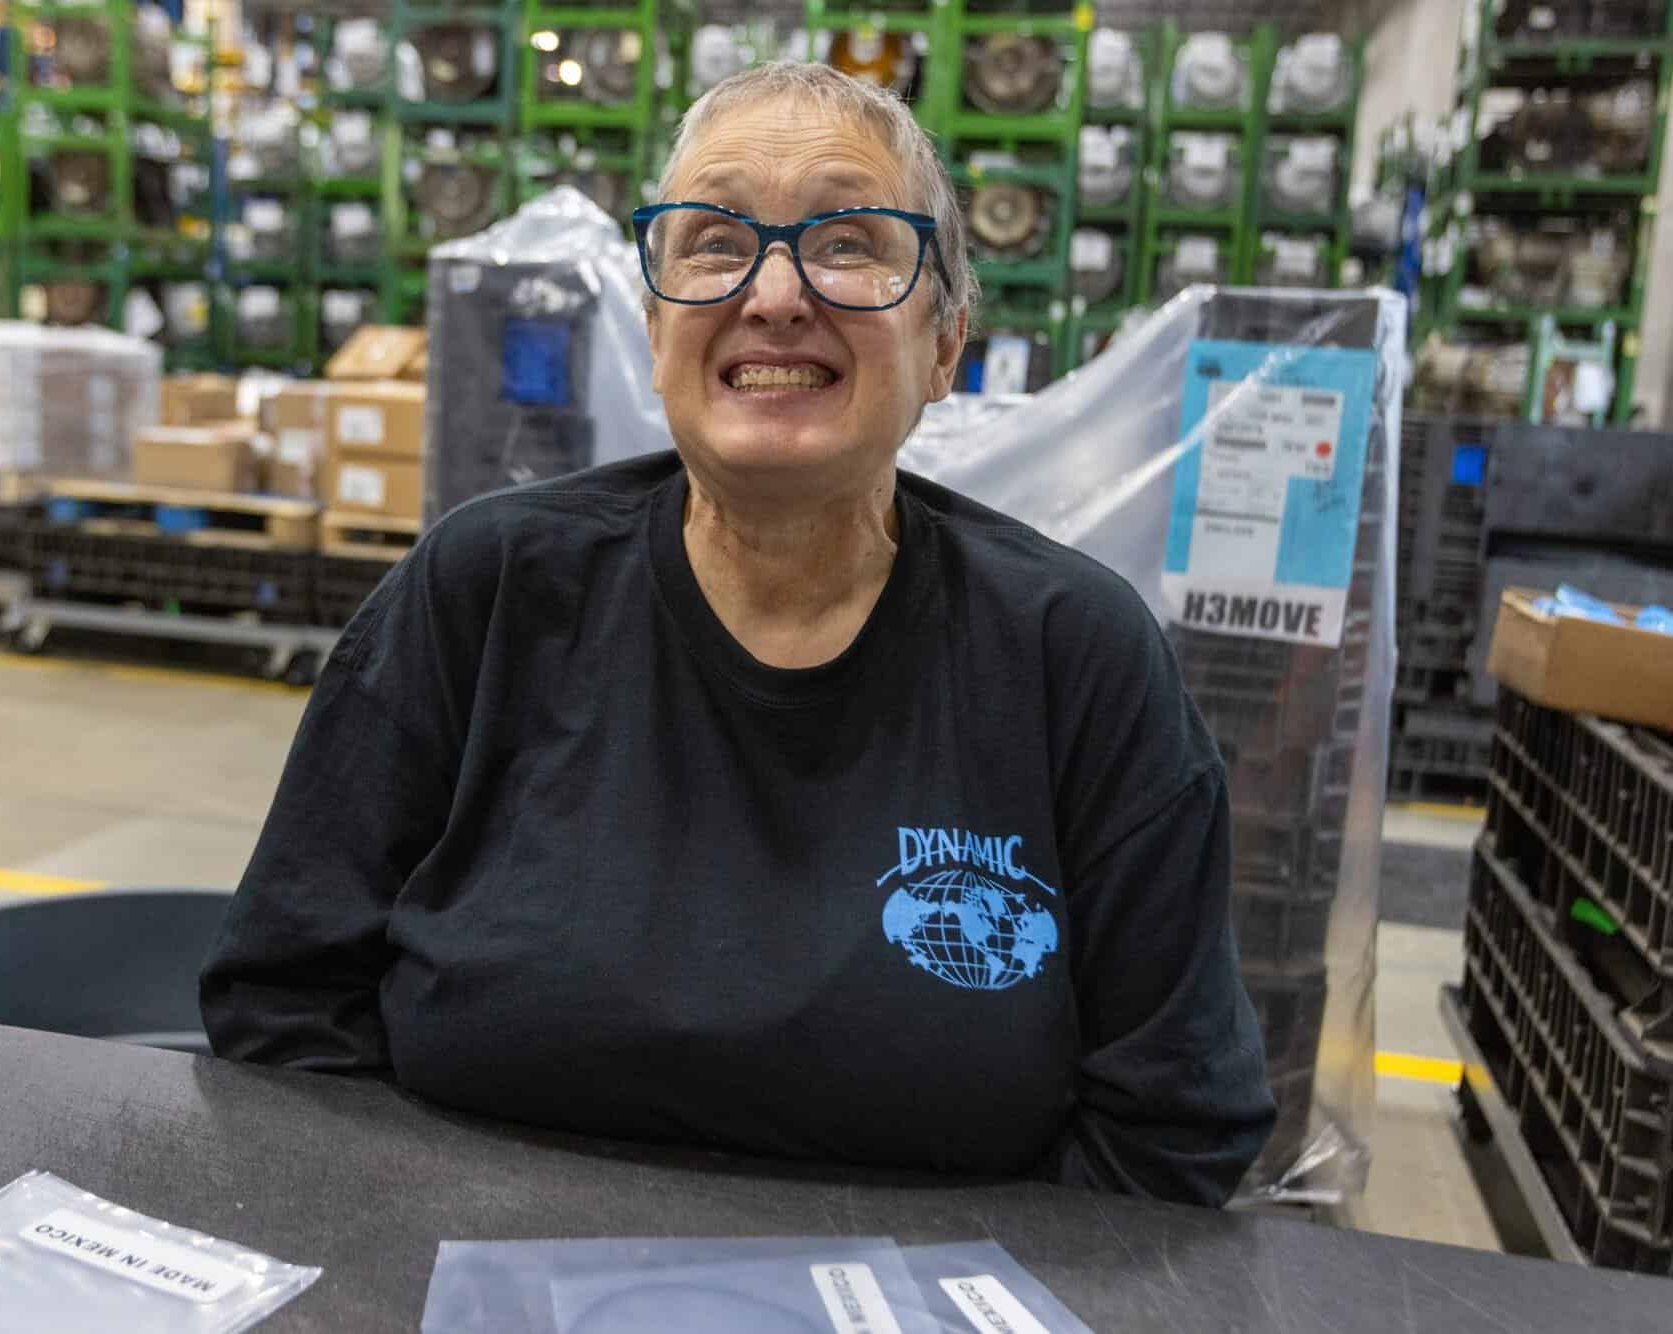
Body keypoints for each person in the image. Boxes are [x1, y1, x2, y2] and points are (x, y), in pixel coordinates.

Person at [200, 62, 1276, 1206]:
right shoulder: (487, 590)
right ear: (657, 317)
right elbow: (284, 1009)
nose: (773, 294)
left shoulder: (1075, 656)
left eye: (851, 242)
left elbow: (1170, 1127)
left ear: (946, 344)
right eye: (714, 241)